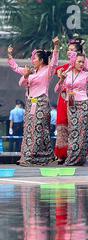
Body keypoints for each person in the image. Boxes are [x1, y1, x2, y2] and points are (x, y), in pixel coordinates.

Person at [7, 37, 60, 166]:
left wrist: (56, 47)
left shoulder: (47, 71)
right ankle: (46, 157)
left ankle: (31, 157)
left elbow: (53, 63)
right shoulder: (31, 71)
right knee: (30, 130)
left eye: (35, 58)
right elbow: (17, 71)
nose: (32, 60)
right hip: (30, 103)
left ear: (41, 60)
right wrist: (9, 56)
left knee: (37, 129)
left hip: (41, 103)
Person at [54, 38, 88, 164]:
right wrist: (56, 48)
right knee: (63, 126)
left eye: (73, 50)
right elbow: (56, 81)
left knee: (79, 129)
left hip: (79, 101)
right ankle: (63, 154)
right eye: (68, 49)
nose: (69, 52)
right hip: (65, 100)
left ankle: (78, 154)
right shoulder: (64, 70)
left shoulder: (84, 70)